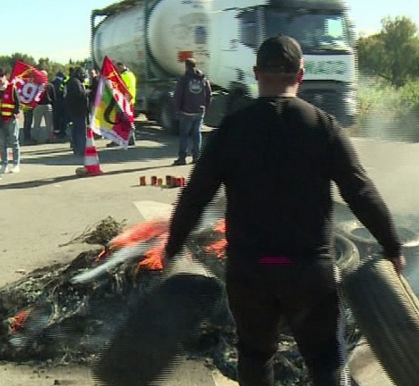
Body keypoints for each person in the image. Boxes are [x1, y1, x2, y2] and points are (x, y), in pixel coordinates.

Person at [163, 35, 405, 386]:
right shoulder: (324, 127)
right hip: (309, 272)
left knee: (256, 354)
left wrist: (173, 246)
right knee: (324, 358)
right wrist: (392, 245)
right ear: (301, 75)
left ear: (256, 73)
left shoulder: (231, 130)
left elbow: (195, 196)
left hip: (249, 273)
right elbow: (360, 191)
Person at [171, 58, 212, 166]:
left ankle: (182, 158)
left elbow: (178, 96)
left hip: (186, 112)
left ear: (186, 66)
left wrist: (177, 110)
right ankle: (196, 157)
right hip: (199, 111)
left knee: (184, 135)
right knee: (197, 134)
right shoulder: (203, 79)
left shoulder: (184, 79)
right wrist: (205, 107)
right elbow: (209, 95)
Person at [107, 62, 137, 147]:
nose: (117, 70)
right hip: (129, 101)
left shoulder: (123, 76)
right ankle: (131, 139)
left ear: (121, 67)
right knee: (128, 121)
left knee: (119, 122)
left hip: (123, 101)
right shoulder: (131, 74)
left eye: (117, 68)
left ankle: (117, 140)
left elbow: (117, 87)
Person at [64, 67, 89, 157]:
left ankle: (77, 147)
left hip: (74, 110)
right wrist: (87, 92)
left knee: (76, 129)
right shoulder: (76, 82)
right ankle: (81, 149)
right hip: (79, 110)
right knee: (80, 130)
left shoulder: (71, 81)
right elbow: (80, 94)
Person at [0, 68, 21, 174]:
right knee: (2, 143)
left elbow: (18, 103)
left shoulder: (12, 88)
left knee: (14, 141)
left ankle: (16, 164)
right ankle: (4, 164)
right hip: (0, 121)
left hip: (11, 119)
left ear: (4, 77)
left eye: (1, 77)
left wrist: (15, 114)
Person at [32, 70, 55, 144]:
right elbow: (54, 97)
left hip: (38, 105)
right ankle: (49, 138)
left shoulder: (36, 85)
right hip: (48, 105)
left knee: (36, 124)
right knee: (49, 124)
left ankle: (35, 138)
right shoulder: (50, 85)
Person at [51, 71, 67, 140]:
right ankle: (62, 133)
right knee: (62, 118)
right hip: (62, 104)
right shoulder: (63, 83)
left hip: (54, 104)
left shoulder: (52, 83)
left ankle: (56, 132)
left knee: (55, 119)